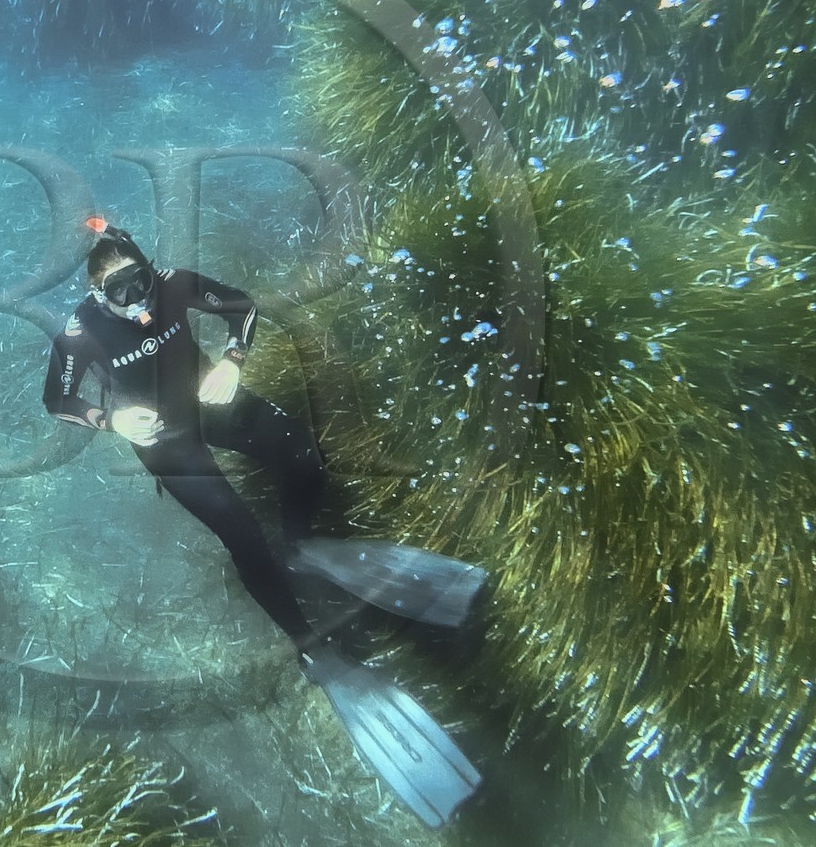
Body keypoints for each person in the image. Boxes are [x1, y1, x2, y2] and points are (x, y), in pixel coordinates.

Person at [41, 216, 484, 828]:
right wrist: (108, 420)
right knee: (243, 534)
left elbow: (241, 307)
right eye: (119, 293)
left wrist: (234, 360)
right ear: (97, 297)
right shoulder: (79, 332)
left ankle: (305, 546)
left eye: (139, 282)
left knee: (303, 455)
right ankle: (312, 650)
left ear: (151, 269)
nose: (137, 300)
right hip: (164, 439)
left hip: (208, 398)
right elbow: (58, 400)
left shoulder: (173, 284)